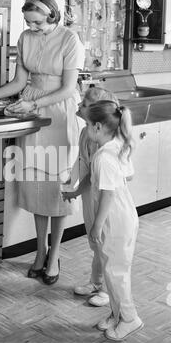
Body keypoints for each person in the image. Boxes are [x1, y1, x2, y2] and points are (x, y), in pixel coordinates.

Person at [0, 0, 85, 284]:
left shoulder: (70, 40)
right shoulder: (25, 38)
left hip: (59, 114)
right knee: (37, 187)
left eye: (38, 22)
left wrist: (34, 104)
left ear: (52, 15)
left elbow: (67, 89)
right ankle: (39, 252)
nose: (33, 27)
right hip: (30, 112)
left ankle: (54, 256)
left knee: (58, 188)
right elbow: (17, 82)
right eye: (28, 22)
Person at [77, 100, 143, 341]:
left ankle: (129, 318)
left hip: (115, 221)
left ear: (96, 127)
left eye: (86, 124)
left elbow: (108, 194)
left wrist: (95, 225)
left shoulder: (104, 157)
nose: (85, 129)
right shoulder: (114, 145)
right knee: (111, 269)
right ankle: (117, 315)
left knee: (116, 272)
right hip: (117, 219)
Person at [62, 87, 134, 307]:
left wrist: (98, 184)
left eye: (86, 103)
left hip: (106, 202)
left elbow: (122, 177)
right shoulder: (87, 133)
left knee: (105, 245)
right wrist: (73, 186)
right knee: (96, 244)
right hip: (91, 196)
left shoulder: (111, 146)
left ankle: (105, 290)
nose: (80, 105)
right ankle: (96, 282)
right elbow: (84, 164)